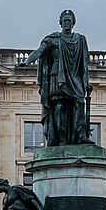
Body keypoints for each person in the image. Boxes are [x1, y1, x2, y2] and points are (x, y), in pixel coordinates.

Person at [25, 9, 91, 146]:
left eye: (69, 20)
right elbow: (39, 51)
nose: (67, 23)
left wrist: (86, 82)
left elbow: (84, 63)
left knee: (80, 103)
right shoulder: (53, 39)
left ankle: (81, 134)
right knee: (59, 107)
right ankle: (60, 137)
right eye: (65, 20)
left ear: (73, 23)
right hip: (56, 76)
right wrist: (27, 61)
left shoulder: (81, 40)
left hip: (75, 78)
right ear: (60, 22)